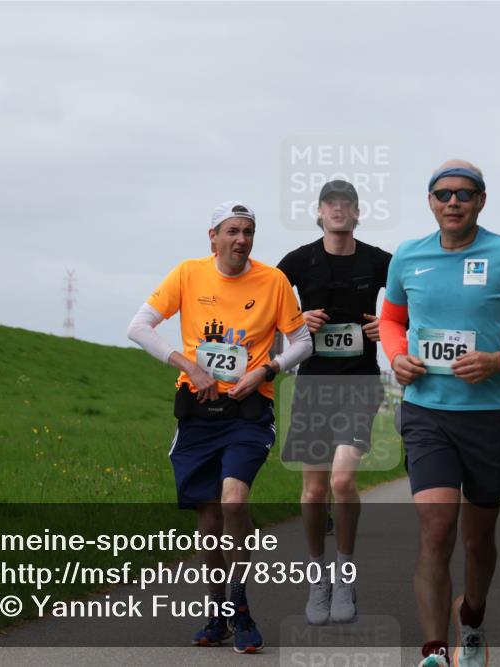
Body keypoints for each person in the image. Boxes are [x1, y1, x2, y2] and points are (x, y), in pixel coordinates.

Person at [379, 160, 500, 667]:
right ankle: (434, 651)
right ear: (430, 202)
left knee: (478, 541)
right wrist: (395, 356)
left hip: (491, 416)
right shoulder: (408, 257)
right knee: (436, 530)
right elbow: (393, 319)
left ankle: (473, 620)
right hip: (426, 413)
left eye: (464, 193)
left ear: (481, 200)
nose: (452, 202)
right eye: (442, 194)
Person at [127, 201, 313, 653]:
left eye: (248, 231)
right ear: (212, 236)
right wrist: (190, 366)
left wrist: (266, 371)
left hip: (249, 411)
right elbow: (139, 327)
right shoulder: (189, 274)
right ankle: (217, 611)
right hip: (198, 409)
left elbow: (303, 342)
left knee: (234, 497)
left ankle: (241, 605)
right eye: (232, 231)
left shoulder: (274, 281)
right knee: (208, 519)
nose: (241, 240)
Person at [277, 179, 392, 625]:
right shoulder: (299, 260)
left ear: (357, 212)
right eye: (331, 203)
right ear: (320, 212)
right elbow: (258, 304)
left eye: (347, 203)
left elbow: (414, 302)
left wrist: (389, 323)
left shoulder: (378, 260)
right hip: (313, 385)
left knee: (342, 483)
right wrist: (294, 319)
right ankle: (317, 577)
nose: (339, 210)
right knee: (312, 490)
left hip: (360, 383)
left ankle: (344, 575)